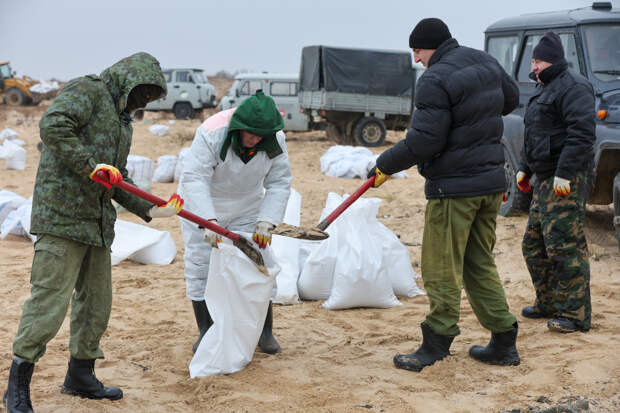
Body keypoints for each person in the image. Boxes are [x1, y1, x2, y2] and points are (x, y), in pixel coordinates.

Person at [3, 52, 184, 413]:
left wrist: (150, 208)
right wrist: (90, 165)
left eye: (150, 96)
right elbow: (53, 125)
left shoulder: (123, 122)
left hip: (98, 224)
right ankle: (17, 387)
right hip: (61, 218)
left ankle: (80, 376)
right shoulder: (88, 90)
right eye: (142, 92)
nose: (144, 101)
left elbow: (115, 178)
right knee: (49, 304)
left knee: (96, 305)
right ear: (129, 80)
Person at [368, 18, 521, 372]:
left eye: (417, 52)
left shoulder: (434, 79)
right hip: (490, 184)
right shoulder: (484, 61)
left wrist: (386, 164)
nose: (417, 60)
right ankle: (503, 340)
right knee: (477, 262)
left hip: (454, 188)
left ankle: (436, 343)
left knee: (440, 266)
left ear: (428, 47)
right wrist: (475, 120)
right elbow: (509, 99)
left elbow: (425, 141)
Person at [179, 90, 292, 355]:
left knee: (259, 261)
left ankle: (265, 332)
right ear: (238, 127)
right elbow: (195, 178)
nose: (254, 140)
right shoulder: (211, 132)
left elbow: (279, 182)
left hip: (247, 205)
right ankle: (206, 329)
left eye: (260, 136)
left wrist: (267, 220)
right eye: (250, 134)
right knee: (200, 264)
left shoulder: (275, 139)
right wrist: (206, 220)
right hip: (205, 202)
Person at [516, 32, 595, 334]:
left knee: (565, 247)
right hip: (544, 179)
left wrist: (564, 172)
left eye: (537, 61)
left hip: (567, 180)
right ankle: (548, 302)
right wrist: (524, 167)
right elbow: (534, 132)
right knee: (533, 245)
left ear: (552, 61)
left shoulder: (574, 87)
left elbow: (581, 135)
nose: (533, 66)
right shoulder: (543, 88)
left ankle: (574, 315)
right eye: (533, 61)